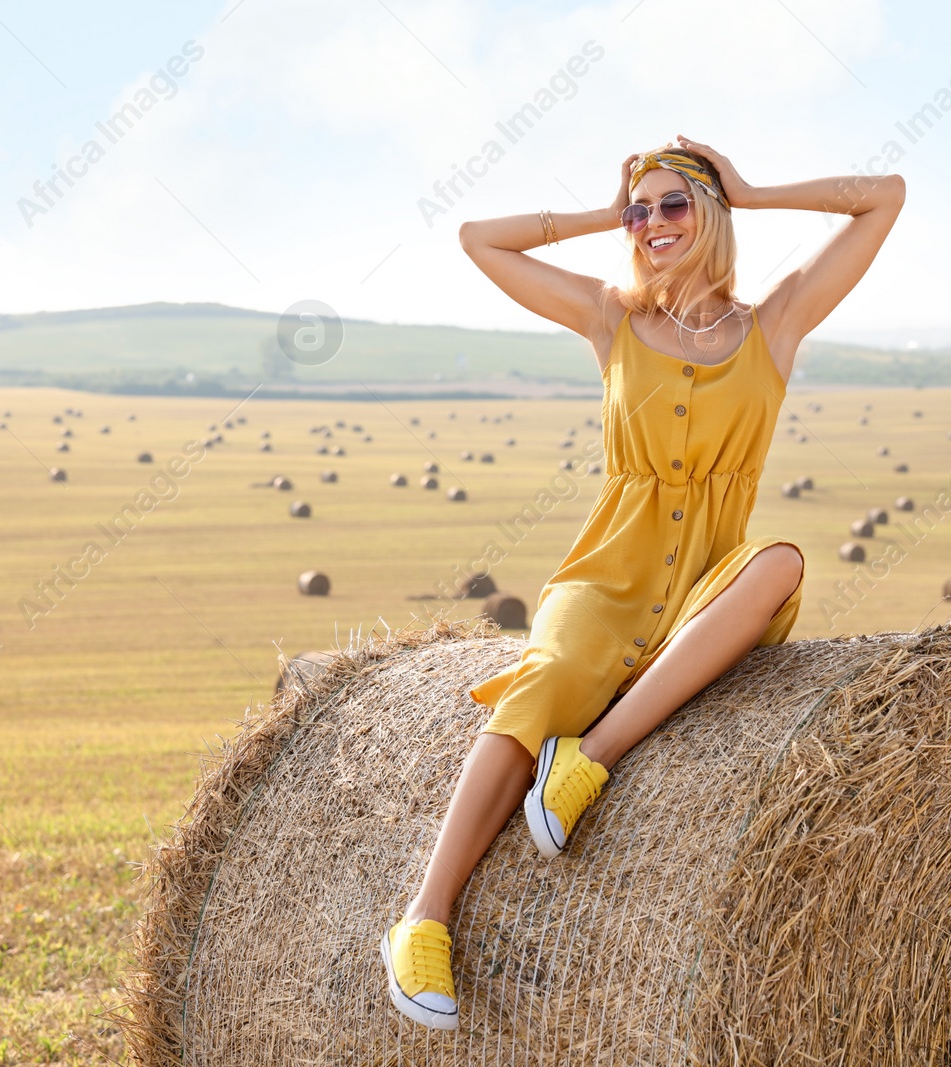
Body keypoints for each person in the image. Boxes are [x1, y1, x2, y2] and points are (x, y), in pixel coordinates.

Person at [379, 135, 906, 1030]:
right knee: (545, 680)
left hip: (707, 591)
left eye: (674, 204)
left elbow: (885, 196)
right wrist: (603, 206)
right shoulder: (610, 318)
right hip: (606, 579)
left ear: (712, 214)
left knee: (782, 563)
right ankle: (422, 920)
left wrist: (749, 187)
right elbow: (479, 238)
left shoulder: (772, 324)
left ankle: (588, 762)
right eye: (642, 211)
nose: (653, 223)